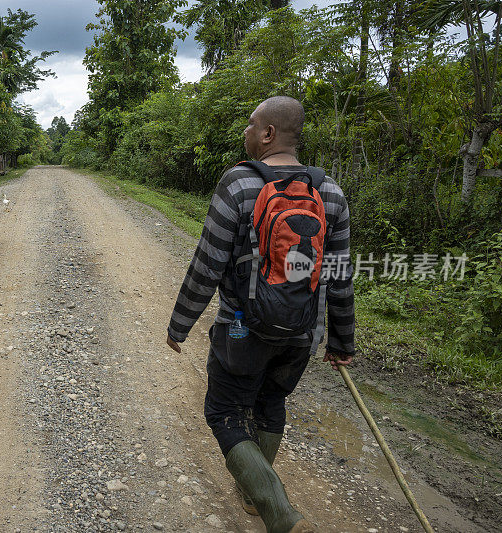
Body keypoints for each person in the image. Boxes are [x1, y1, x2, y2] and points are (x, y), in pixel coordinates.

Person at [165, 96, 355, 533]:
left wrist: (180, 324)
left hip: (241, 331)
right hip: (302, 334)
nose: (246, 132)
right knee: (270, 405)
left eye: (251, 125)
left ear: (269, 133)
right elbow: (341, 276)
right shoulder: (331, 192)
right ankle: (253, 495)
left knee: (225, 414)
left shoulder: (238, 184)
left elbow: (207, 263)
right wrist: (341, 342)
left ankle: (279, 513)